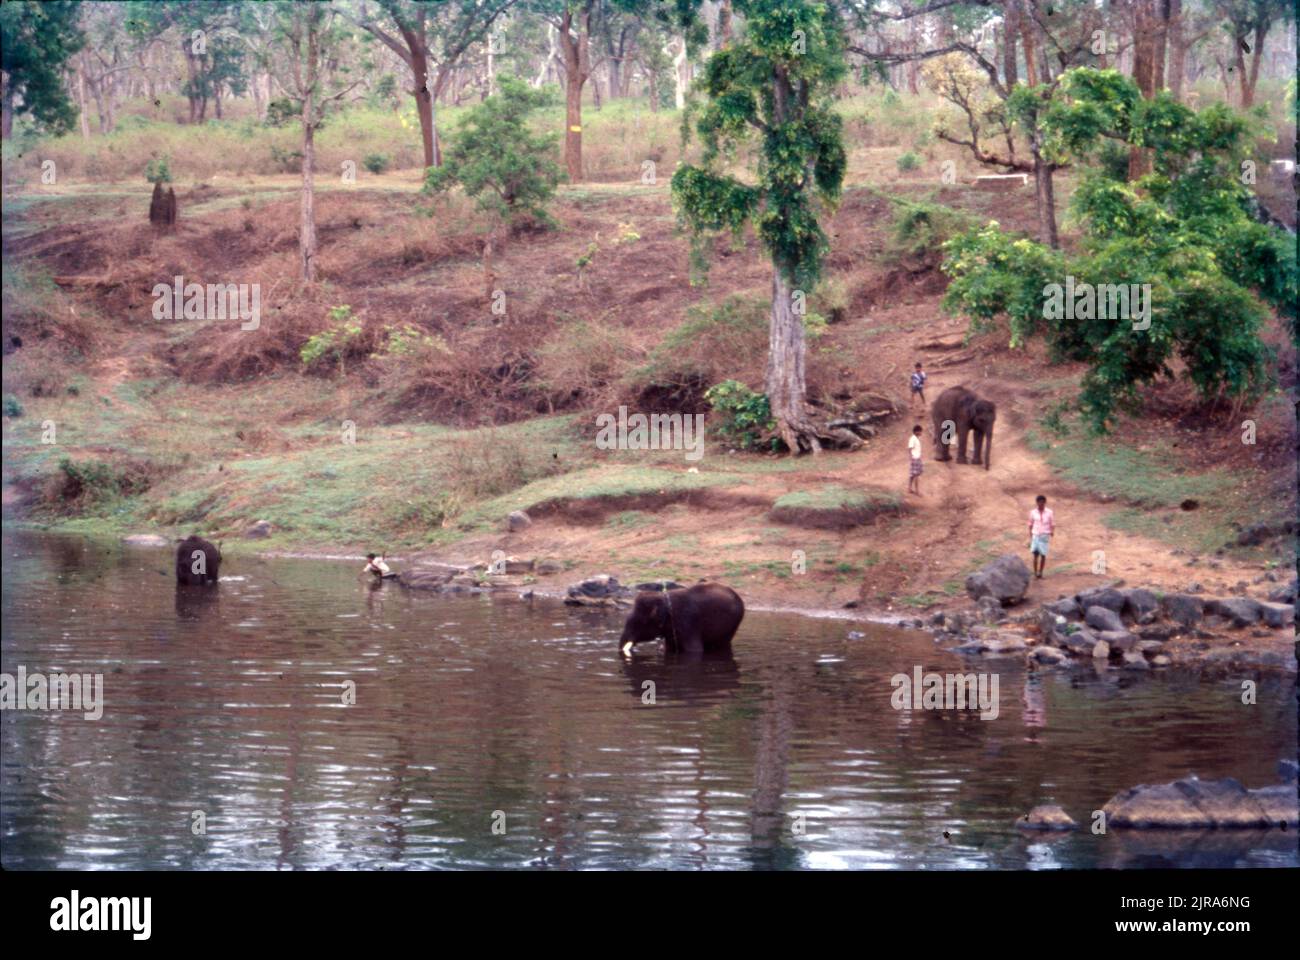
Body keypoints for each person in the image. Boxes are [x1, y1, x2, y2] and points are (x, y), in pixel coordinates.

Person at [1028, 495, 1055, 579]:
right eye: (1039, 502)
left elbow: (1052, 523)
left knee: (1043, 555)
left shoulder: (1049, 512)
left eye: (1042, 502)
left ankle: (1041, 573)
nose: (1041, 504)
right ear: (1037, 503)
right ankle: (1036, 573)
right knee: (1035, 555)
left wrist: (1052, 531)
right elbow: (1030, 524)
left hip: (1044, 535)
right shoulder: (1033, 512)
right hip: (1036, 535)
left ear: (1044, 502)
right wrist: (1030, 534)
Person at [907, 424, 924, 496]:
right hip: (915, 458)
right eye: (920, 431)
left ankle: (909, 488)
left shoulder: (916, 439)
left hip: (917, 458)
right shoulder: (913, 439)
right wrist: (911, 457)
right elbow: (909, 448)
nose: (921, 433)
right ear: (916, 431)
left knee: (912, 474)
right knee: (916, 475)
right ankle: (917, 491)